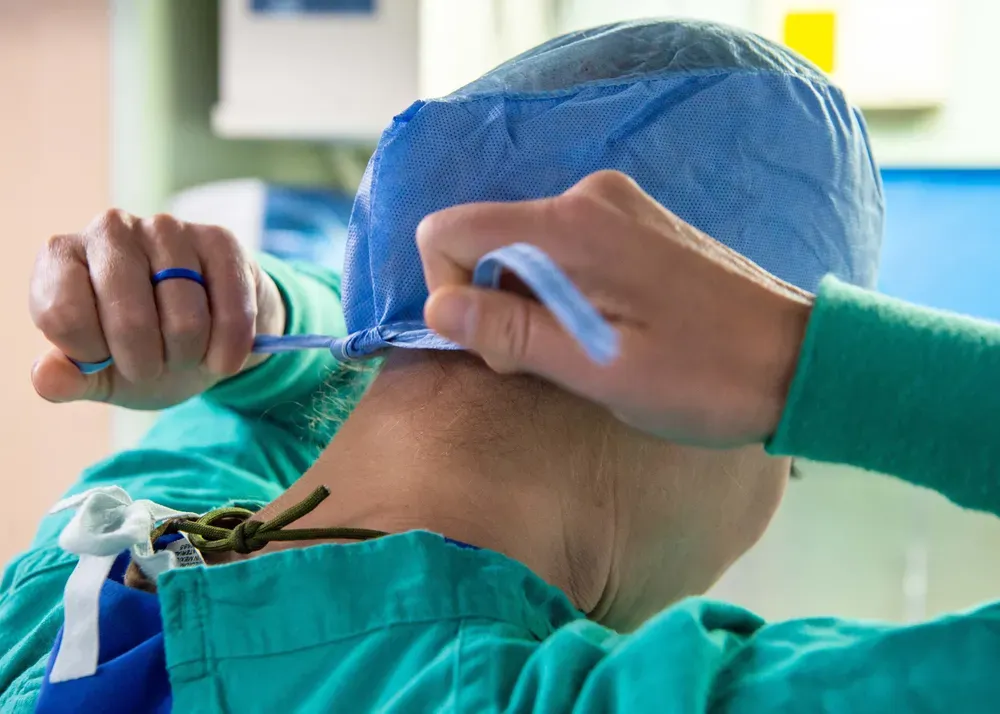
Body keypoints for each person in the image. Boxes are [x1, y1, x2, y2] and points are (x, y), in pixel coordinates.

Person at [2, 18, 998, 714]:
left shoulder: (75, 575)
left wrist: (265, 321)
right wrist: (808, 366)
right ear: (699, 397)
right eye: (790, 449)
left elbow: (273, 408)